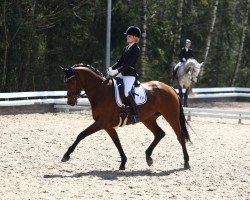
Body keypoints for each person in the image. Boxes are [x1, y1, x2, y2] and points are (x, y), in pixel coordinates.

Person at [107, 26, 141, 124]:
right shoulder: (126, 48)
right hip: (122, 73)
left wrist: (116, 71)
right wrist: (111, 68)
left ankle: (136, 114)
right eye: (127, 36)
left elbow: (128, 65)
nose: (127, 37)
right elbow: (120, 61)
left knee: (126, 91)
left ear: (135, 38)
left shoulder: (136, 49)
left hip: (129, 75)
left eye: (129, 36)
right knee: (112, 88)